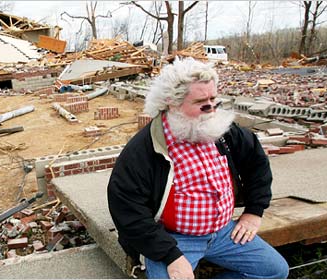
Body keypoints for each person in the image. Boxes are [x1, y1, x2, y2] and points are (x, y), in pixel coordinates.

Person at [107, 57, 289, 279]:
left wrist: (254, 211)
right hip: (175, 239)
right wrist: (170, 255)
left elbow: (257, 164)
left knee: (274, 271)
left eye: (214, 99)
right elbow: (127, 209)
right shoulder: (145, 149)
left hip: (224, 233)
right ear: (172, 103)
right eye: (201, 102)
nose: (211, 109)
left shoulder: (223, 132)